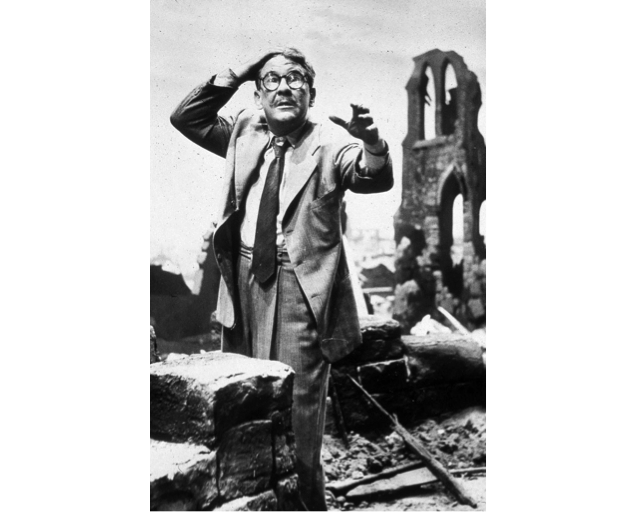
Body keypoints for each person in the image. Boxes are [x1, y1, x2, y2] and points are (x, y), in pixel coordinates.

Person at [170, 47, 393, 511]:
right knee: (244, 404)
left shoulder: (331, 143)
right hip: (242, 283)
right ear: (257, 94)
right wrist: (240, 72)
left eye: (295, 79)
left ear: (311, 93)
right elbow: (186, 117)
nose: (284, 88)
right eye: (271, 80)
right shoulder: (244, 131)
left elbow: (371, 176)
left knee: (297, 417)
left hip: (300, 292)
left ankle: (308, 509)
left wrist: (372, 144)